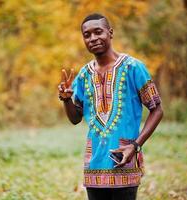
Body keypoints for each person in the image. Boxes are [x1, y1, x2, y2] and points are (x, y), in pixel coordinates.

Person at [58, 13, 163, 200]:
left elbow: (157, 110)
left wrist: (135, 146)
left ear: (110, 33)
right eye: (87, 35)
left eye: (98, 32)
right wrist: (66, 99)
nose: (93, 38)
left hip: (124, 161)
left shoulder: (133, 67)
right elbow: (75, 119)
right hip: (94, 167)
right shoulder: (84, 75)